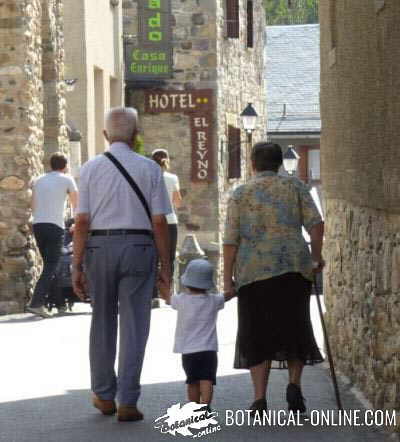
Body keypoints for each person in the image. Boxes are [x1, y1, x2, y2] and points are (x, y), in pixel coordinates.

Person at [72, 107, 172, 422]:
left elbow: (82, 219)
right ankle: (128, 400)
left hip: (99, 247)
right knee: (135, 324)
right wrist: (166, 265)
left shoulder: (89, 169)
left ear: (105, 135)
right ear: (136, 135)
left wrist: (76, 263)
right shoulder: (151, 169)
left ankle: (103, 395)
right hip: (140, 246)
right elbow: (159, 221)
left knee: (102, 319)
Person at [223, 142, 325, 414]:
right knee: (296, 327)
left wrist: (226, 281)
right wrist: (315, 257)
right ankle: (294, 385)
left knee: (255, 334)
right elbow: (316, 223)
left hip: (253, 272)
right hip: (293, 268)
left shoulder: (241, 194)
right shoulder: (296, 187)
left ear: (253, 163)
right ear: (279, 163)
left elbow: (230, 240)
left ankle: (259, 398)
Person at [170, 259, 235, 409]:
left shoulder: (180, 300)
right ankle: (205, 405)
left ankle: (194, 408)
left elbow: (167, 298)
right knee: (207, 380)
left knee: (192, 381)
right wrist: (235, 286)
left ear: (186, 282)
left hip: (188, 351)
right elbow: (229, 295)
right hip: (208, 350)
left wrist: (161, 283)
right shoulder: (213, 300)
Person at [27, 152, 78, 318]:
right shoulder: (67, 179)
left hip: (38, 225)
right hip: (55, 225)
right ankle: (36, 303)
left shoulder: (39, 180)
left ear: (51, 164)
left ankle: (60, 304)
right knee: (51, 265)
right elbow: (76, 203)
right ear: (65, 165)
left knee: (50, 265)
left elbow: (33, 205)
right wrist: (77, 222)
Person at [151, 148, 182, 308]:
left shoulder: (148, 177)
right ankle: (168, 293)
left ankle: (153, 295)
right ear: (167, 161)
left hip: (152, 222)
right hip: (169, 222)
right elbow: (177, 202)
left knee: (153, 258)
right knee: (168, 259)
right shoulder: (172, 178)